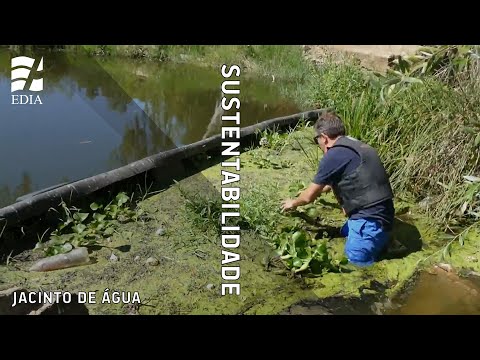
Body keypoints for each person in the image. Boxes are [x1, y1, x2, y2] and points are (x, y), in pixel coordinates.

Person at [281, 110, 395, 267]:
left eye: (317, 140)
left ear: (324, 138)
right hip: (385, 214)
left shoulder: (333, 155)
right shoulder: (353, 145)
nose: (319, 145)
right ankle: (383, 241)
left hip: (370, 221)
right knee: (343, 232)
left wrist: (293, 203)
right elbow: (339, 181)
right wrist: (319, 190)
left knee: (354, 264)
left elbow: (308, 198)